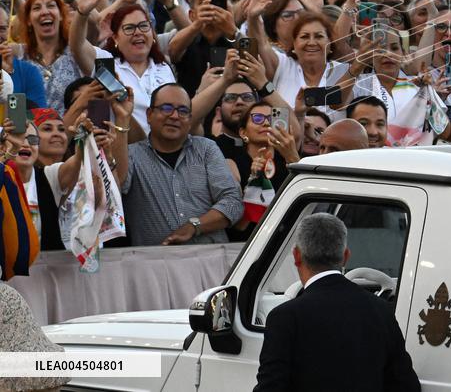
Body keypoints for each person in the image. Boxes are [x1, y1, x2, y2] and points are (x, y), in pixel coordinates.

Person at [253, 212, 420, 392]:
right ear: (346, 256)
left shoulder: (285, 317)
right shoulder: (381, 309)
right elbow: (407, 386)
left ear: (296, 256)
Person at [118, 83, 243, 246]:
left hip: (210, 260)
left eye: (183, 111)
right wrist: (122, 118)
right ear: (149, 115)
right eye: (166, 108)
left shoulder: (206, 149)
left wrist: (194, 226)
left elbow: (233, 202)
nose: (175, 116)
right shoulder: (131, 155)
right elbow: (116, 189)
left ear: (190, 120)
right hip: (154, 264)